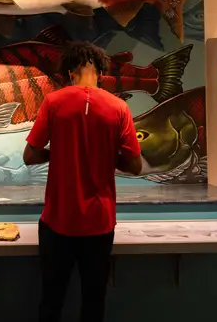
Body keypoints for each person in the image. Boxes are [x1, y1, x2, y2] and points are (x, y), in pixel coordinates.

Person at [23, 41, 142, 322]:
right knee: (93, 302)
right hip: (99, 224)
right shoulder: (119, 108)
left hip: (57, 222)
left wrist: (60, 152)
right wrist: (105, 156)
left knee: (51, 301)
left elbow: (30, 156)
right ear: (101, 72)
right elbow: (136, 165)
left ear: (69, 72)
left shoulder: (53, 102)